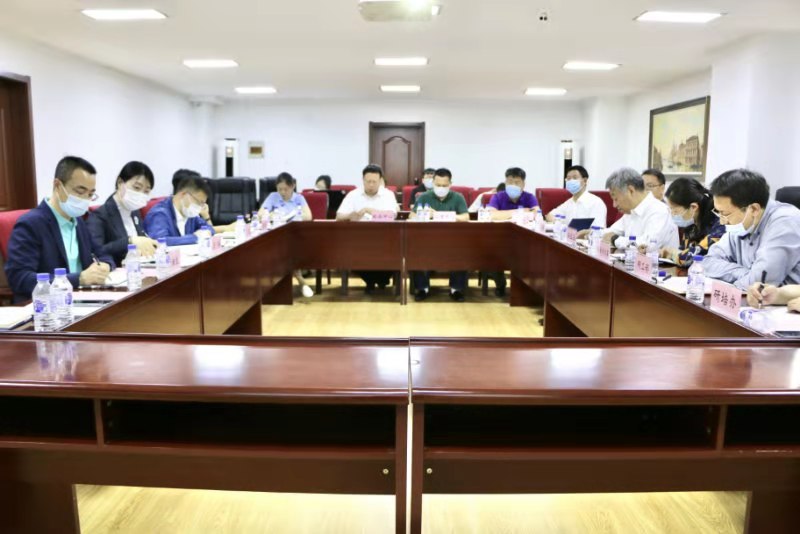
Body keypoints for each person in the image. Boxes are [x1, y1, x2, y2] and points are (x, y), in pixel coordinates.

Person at [5, 156, 114, 302]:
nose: (85, 199)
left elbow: (103, 254)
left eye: (90, 194)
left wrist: (106, 266)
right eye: (80, 192)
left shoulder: (78, 221)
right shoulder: (31, 224)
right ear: (57, 185)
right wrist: (78, 279)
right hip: (47, 306)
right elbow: (20, 278)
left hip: (82, 301)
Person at [703, 169, 800, 290]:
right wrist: (745, 273)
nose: (722, 222)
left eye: (725, 214)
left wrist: (749, 278)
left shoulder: (786, 222)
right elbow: (708, 262)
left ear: (754, 209)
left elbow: (760, 283)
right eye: (718, 213)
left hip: (785, 301)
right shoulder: (742, 224)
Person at [336, 164, 399, 292]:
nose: (371, 185)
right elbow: (338, 216)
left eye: (374, 182)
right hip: (359, 238)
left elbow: (392, 215)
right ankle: (372, 281)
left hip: (384, 238)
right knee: (356, 253)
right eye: (368, 181)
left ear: (380, 181)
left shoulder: (388, 194)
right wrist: (350, 215)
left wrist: (370, 210)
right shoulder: (353, 195)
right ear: (363, 180)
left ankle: (379, 280)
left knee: (390, 253)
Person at [410, 168, 469, 302]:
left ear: (450, 184)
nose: (441, 188)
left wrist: (438, 214)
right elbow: (412, 215)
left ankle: (456, 290)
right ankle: (422, 289)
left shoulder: (458, 197)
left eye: (444, 185)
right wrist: (424, 214)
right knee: (416, 250)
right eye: (438, 185)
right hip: (427, 240)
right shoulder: (424, 196)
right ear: (433, 183)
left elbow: (465, 217)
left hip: (453, 240)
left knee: (463, 251)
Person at [88, 161, 159, 266]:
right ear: (120, 183)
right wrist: (129, 241)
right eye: (136, 188)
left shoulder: (135, 211)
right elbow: (96, 251)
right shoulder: (100, 215)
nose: (140, 194)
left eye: (146, 191)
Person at [258, 173, 314, 298]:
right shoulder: (273, 196)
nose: (282, 192)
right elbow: (261, 214)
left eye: (286, 189)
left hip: (295, 235)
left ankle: (300, 281)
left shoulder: (299, 198)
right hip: (276, 235)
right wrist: (269, 215)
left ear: (293, 186)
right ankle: (302, 282)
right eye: (280, 189)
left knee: (287, 248)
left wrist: (294, 216)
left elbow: (308, 216)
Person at [602, 167, 678, 249]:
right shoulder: (630, 212)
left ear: (631, 190)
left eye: (616, 199)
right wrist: (595, 233)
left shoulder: (659, 210)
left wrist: (615, 240)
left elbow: (647, 245)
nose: (614, 205)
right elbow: (609, 233)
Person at [660, 177, 725, 267]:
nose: (673, 214)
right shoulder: (691, 226)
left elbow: (690, 258)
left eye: (675, 210)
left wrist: (672, 253)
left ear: (693, 207)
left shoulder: (720, 224)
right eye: (670, 209)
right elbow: (682, 252)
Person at [144, 176, 218, 246]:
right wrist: (195, 238)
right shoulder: (159, 213)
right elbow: (158, 241)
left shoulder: (190, 213)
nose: (199, 208)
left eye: (202, 204)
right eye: (198, 202)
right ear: (183, 194)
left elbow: (209, 229)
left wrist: (206, 232)